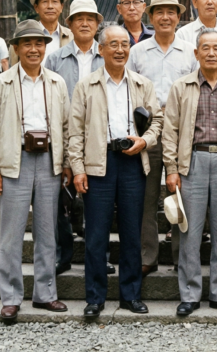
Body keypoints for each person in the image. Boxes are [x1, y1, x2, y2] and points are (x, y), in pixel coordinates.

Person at [69, 25, 163, 318]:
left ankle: (130, 295)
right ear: (101, 49)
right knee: (96, 234)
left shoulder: (142, 84)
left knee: (132, 232)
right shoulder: (86, 85)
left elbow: (158, 121)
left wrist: (144, 140)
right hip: (99, 164)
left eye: (124, 44)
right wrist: (78, 169)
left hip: (133, 162)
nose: (120, 50)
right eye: (113, 44)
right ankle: (95, 297)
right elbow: (74, 132)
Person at [0, 19, 71, 322]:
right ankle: (10, 297)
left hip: (49, 162)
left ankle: (46, 293)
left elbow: (67, 127)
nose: (34, 49)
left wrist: (67, 163)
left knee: (48, 232)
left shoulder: (57, 82)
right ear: (16, 48)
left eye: (39, 43)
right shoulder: (0, 83)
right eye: (27, 44)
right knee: (11, 234)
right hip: (13, 161)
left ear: (46, 47)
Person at [162, 29, 217, 317]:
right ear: (196, 53)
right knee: (190, 231)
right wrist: (172, 169)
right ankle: (189, 294)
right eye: (205, 48)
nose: (211, 53)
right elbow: (170, 130)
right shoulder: (182, 87)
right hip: (193, 163)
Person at [126, 0, 198, 276]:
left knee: (183, 195)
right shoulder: (137, 52)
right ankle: (148, 255)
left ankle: (181, 257)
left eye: (171, 12)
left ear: (179, 17)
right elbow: (128, 89)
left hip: (183, 132)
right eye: (159, 12)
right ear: (150, 16)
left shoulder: (190, 50)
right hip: (148, 132)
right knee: (147, 196)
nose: (165, 17)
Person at [44, 0, 106, 276]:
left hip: (99, 135)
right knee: (59, 199)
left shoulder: (106, 55)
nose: (84, 23)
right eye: (79, 18)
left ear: (97, 24)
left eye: (90, 19)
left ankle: (101, 255)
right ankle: (62, 253)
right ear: (69, 24)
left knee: (100, 201)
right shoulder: (54, 58)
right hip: (62, 133)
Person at [10, 0, 74, 66]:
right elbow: (13, 67)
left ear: (61, 7)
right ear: (36, 7)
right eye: (44, 1)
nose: (50, 6)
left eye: (55, 1)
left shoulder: (72, 37)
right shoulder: (21, 36)